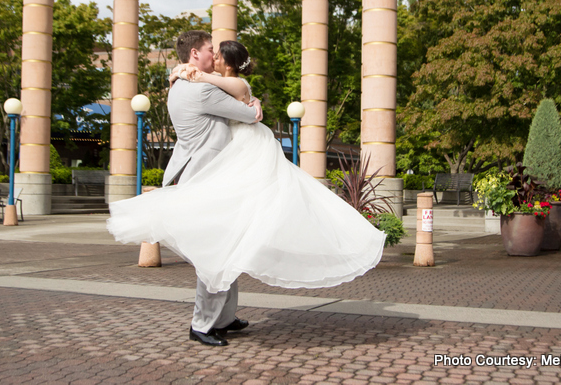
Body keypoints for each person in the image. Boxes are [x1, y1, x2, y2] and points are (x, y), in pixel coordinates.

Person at [107, 35, 386, 348]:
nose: (215, 55)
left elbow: (232, 93)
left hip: (216, 175)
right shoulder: (200, 90)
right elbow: (249, 114)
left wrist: (186, 72)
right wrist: (253, 105)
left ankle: (224, 318)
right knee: (214, 253)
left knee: (229, 247)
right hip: (209, 177)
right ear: (196, 53)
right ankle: (202, 324)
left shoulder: (181, 83)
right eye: (210, 50)